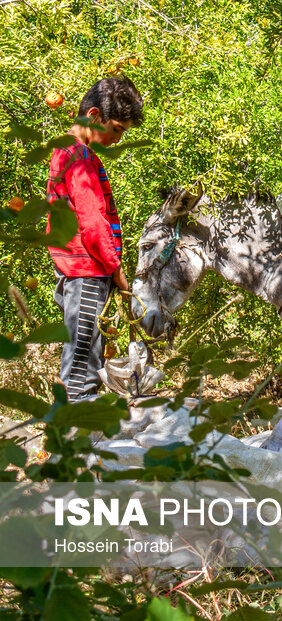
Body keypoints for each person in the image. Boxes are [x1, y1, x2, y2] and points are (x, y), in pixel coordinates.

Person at [47, 76, 144, 402]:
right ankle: (74, 437)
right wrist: (115, 268)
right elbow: (91, 222)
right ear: (92, 115)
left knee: (84, 348)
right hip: (88, 271)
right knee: (83, 363)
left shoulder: (66, 152)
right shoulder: (81, 158)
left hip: (76, 268)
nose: (118, 138)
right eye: (116, 128)